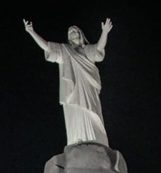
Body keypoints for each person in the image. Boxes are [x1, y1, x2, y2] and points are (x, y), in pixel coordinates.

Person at [23, 18, 113, 147]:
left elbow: (99, 48)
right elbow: (47, 46)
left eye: (74, 31)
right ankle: (77, 143)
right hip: (71, 91)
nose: (72, 33)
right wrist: (31, 31)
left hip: (87, 89)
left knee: (91, 113)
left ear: (80, 34)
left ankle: (96, 143)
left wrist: (105, 32)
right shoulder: (64, 50)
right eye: (69, 32)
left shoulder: (87, 50)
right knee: (75, 114)